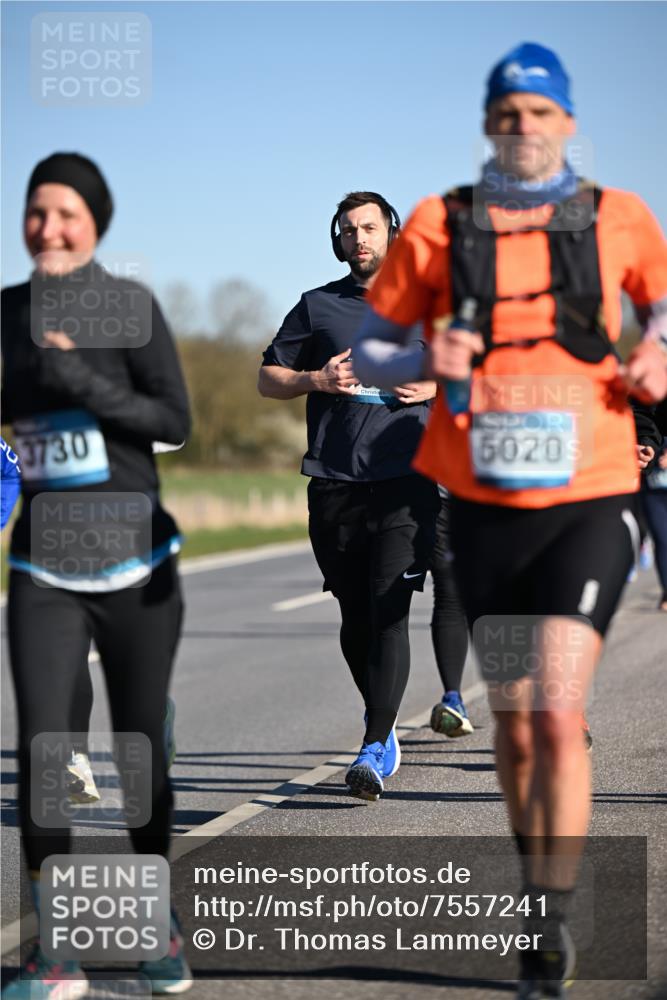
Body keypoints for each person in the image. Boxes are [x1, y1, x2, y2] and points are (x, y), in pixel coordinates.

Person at [353, 43, 667, 998]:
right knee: (519, 725)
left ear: (565, 122)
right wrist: (419, 354)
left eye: (540, 111)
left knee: (557, 714)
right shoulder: (437, 223)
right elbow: (372, 347)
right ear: (489, 123)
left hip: (591, 495)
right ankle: (538, 890)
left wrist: (656, 348)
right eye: (507, 112)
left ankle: (548, 916)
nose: (523, 125)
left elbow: (662, 310)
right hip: (484, 506)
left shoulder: (617, 217)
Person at [1, 153, 192, 997]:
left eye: (66, 213)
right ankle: (55, 951)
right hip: (40, 566)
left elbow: (173, 420)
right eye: (36, 211)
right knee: (46, 751)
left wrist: (78, 376)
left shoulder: (129, 307)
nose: (48, 228)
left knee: (138, 752)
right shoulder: (7, 312)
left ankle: (156, 926)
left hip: (135, 562)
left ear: (96, 224)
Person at [258, 192, 440, 801]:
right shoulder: (318, 306)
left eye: (369, 227)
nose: (358, 237)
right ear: (337, 239)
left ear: (392, 233)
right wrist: (315, 378)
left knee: (390, 606)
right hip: (335, 482)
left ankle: (374, 742)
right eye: (348, 229)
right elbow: (268, 377)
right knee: (355, 615)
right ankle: (382, 720)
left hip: (408, 483)